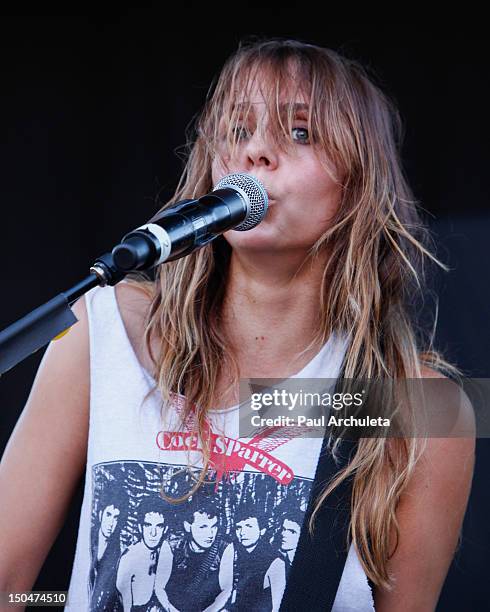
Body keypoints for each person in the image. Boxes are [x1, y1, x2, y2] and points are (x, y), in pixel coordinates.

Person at [0, 37, 475, 612]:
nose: (257, 153)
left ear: (358, 185)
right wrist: (66, 598)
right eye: (238, 131)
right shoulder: (102, 330)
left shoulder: (417, 403)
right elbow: (10, 585)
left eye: (299, 132)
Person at [158, 496, 232, 612]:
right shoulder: (172, 545)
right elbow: (159, 587)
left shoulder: (224, 548)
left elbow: (226, 589)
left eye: (214, 526)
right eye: (203, 527)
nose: (210, 534)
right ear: (188, 526)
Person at [116, 495, 172, 612]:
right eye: (148, 525)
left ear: (165, 529)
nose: (153, 533)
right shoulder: (129, 558)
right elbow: (125, 605)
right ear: (140, 527)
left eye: (159, 526)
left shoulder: (163, 551)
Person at [230, 507, 285, 611]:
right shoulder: (236, 554)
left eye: (249, 526)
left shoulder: (275, 561)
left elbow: (277, 607)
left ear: (262, 530)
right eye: (238, 527)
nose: (242, 533)